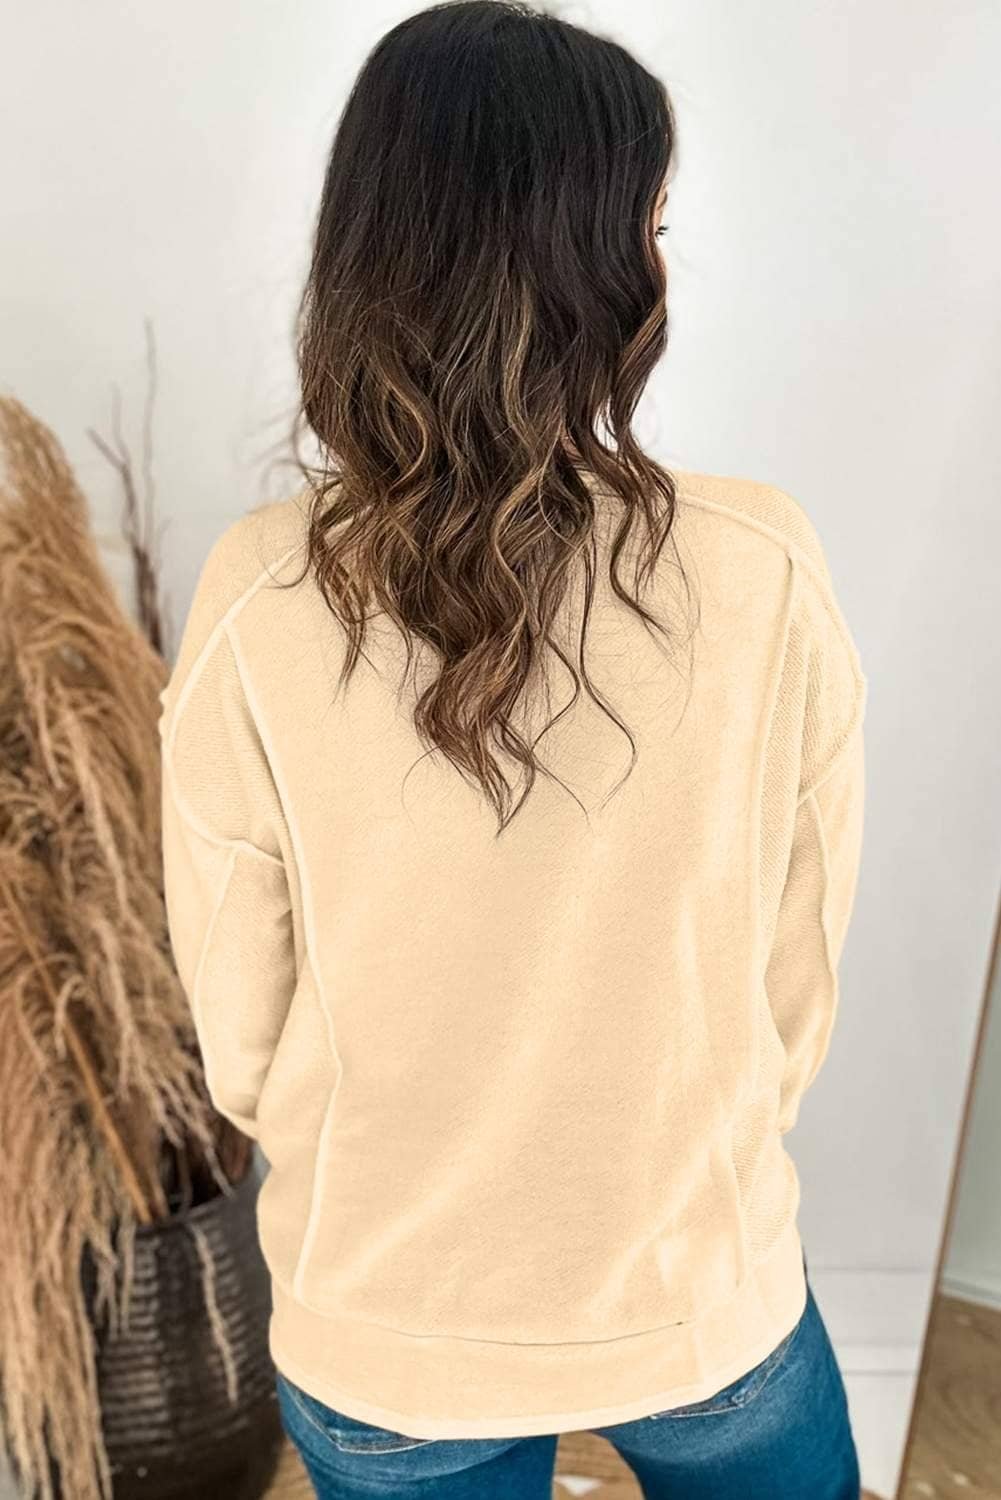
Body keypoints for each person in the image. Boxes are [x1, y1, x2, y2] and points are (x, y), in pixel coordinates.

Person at [157, 2, 867, 1495]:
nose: (662, 262)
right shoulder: (761, 566)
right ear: (592, 263)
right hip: (692, 1273)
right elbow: (795, 964)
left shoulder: (257, 595)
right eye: (650, 224)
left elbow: (241, 1017)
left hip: (387, 1316)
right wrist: (680, 1146)